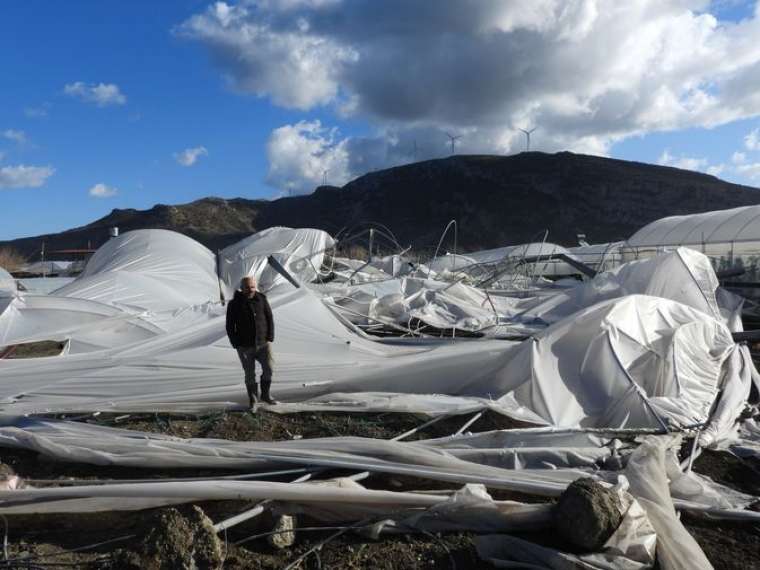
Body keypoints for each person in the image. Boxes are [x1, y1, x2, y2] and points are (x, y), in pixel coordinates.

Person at [226, 276, 276, 407]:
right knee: (249, 374)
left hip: (263, 344)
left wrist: (270, 336)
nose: (250, 289)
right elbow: (230, 326)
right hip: (245, 346)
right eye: (247, 287)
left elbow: (269, 317)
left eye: (252, 286)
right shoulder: (234, 304)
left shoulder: (262, 299)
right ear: (242, 288)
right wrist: (236, 343)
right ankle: (253, 400)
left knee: (269, 369)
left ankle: (265, 395)